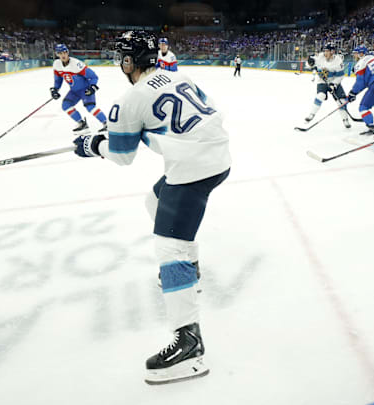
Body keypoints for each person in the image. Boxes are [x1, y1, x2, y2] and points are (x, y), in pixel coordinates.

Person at [71, 31, 230, 385]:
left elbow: (123, 157)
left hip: (193, 169)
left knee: (168, 247)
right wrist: (125, 129)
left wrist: (94, 145)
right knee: (154, 201)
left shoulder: (131, 98)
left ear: (128, 62)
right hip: (218, 158)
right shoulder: (177, 75)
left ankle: (190, 347)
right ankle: (191, 269)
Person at [50, 44, 107, 134]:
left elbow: (93, 76)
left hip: (85, 89)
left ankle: (107, 123)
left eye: (64, 52)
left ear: (67, 52)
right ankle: (82, 124)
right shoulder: (56, 65)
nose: (63, 55)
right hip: (74, 91)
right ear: (57, 54)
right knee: (66, 105)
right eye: (60, 53)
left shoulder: (76, 64)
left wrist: (92, 87)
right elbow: (58, 79)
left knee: (90, 107)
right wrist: (55, 89)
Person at [303, 43, 351, 128]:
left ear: (332, 52)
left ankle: (345, 119)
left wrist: (334, 84)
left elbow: (340, 76)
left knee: (342, 101)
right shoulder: (320, 57)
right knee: (321, 95)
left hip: (334, 81)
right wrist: (310, 63)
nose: (325, 53)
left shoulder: (338, 61)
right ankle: (311, 114)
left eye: (327, 51)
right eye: (324, 51)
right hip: (322, 81)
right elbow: (310, 63)